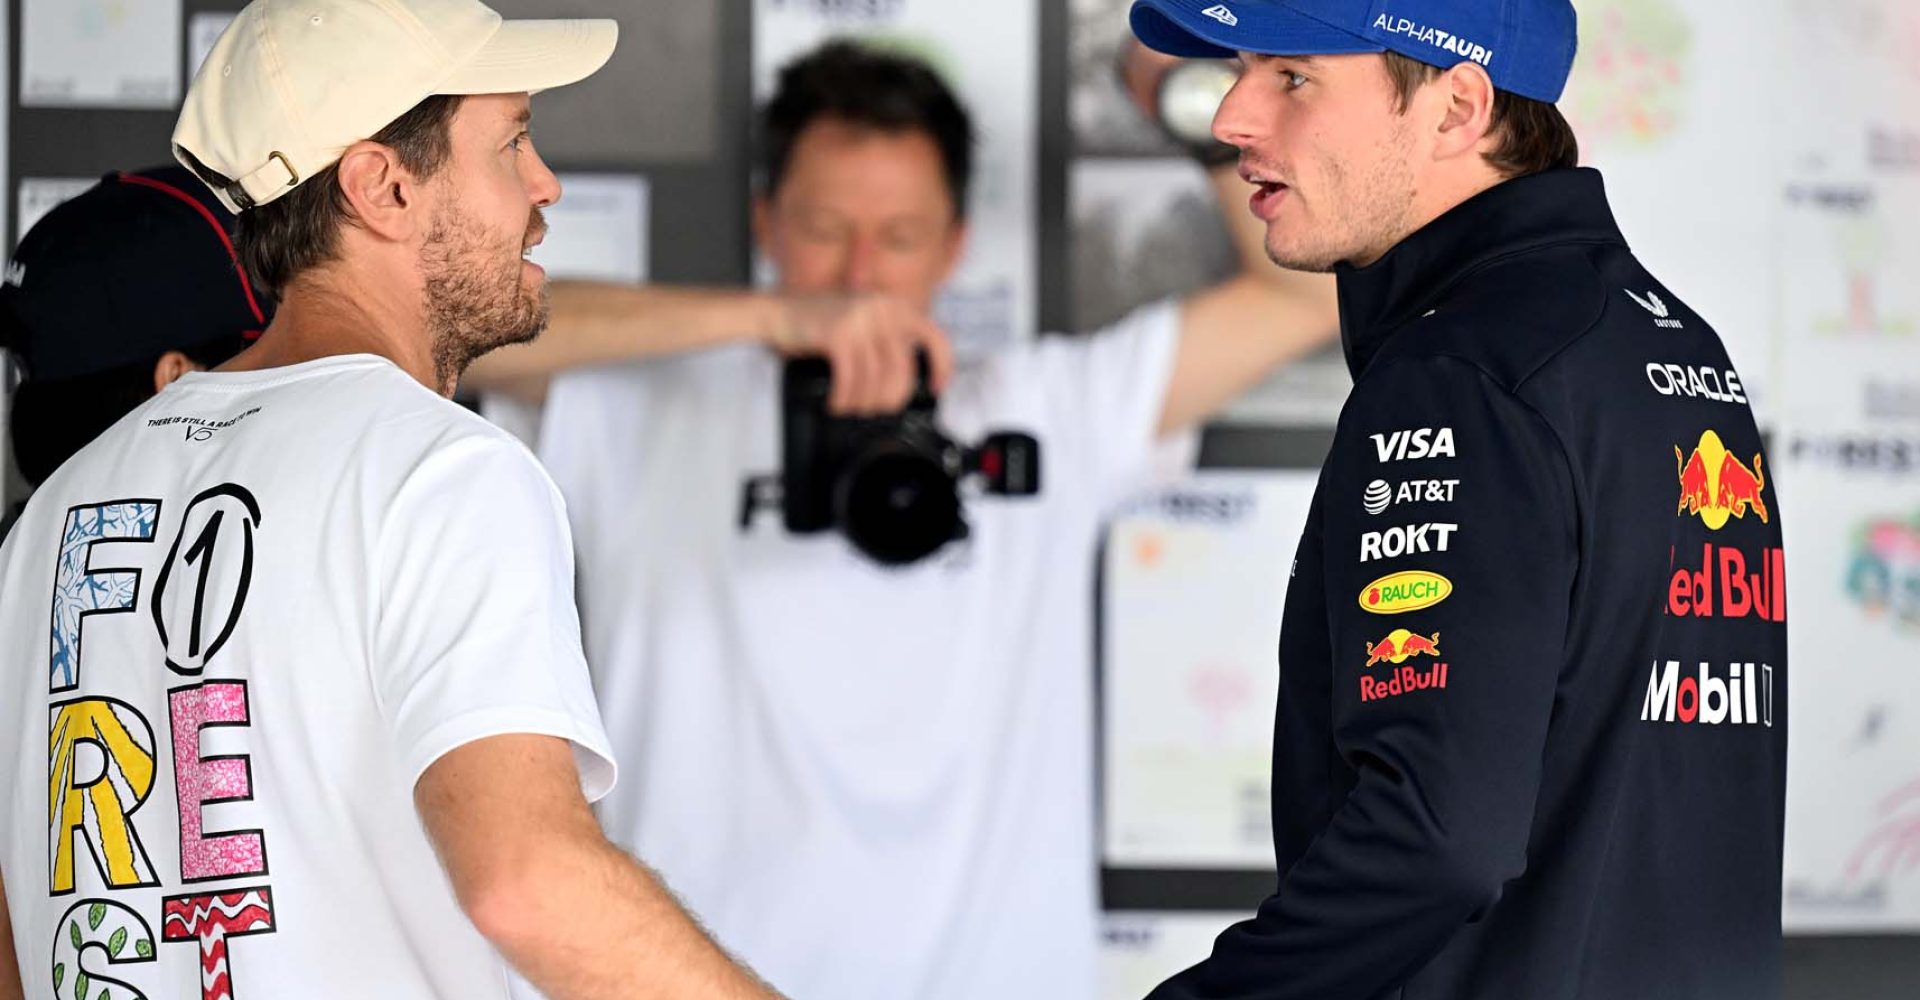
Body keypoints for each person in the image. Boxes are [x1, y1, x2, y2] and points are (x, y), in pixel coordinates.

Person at [464, 39, 1341, 1000]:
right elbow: (470, 345)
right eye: (825, 227)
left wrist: (1191, 102)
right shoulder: (649, 404)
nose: (861, 274)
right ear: (766, 222)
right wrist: (770, 321)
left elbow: (1301, 297)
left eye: (900, 235)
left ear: (957, 243)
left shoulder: (1045, 411)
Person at [0, 1, 776, 997]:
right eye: (513, 143)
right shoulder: (440, 473)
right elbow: (531, 882)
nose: (545, 187)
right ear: (383, 186)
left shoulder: (55, 515)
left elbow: (20, 942)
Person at [1126, 1, 1788, 997]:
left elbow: (1437, 839)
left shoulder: (1463, 370)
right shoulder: (1667, 344)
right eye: (1243, 69)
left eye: (1292, 76)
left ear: (1455, 109)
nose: (1233, 118)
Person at [0, 165, 270, 541]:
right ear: (177, 380)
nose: (272, 384)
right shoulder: (225, 579)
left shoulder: (15, 559)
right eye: (251, 357)